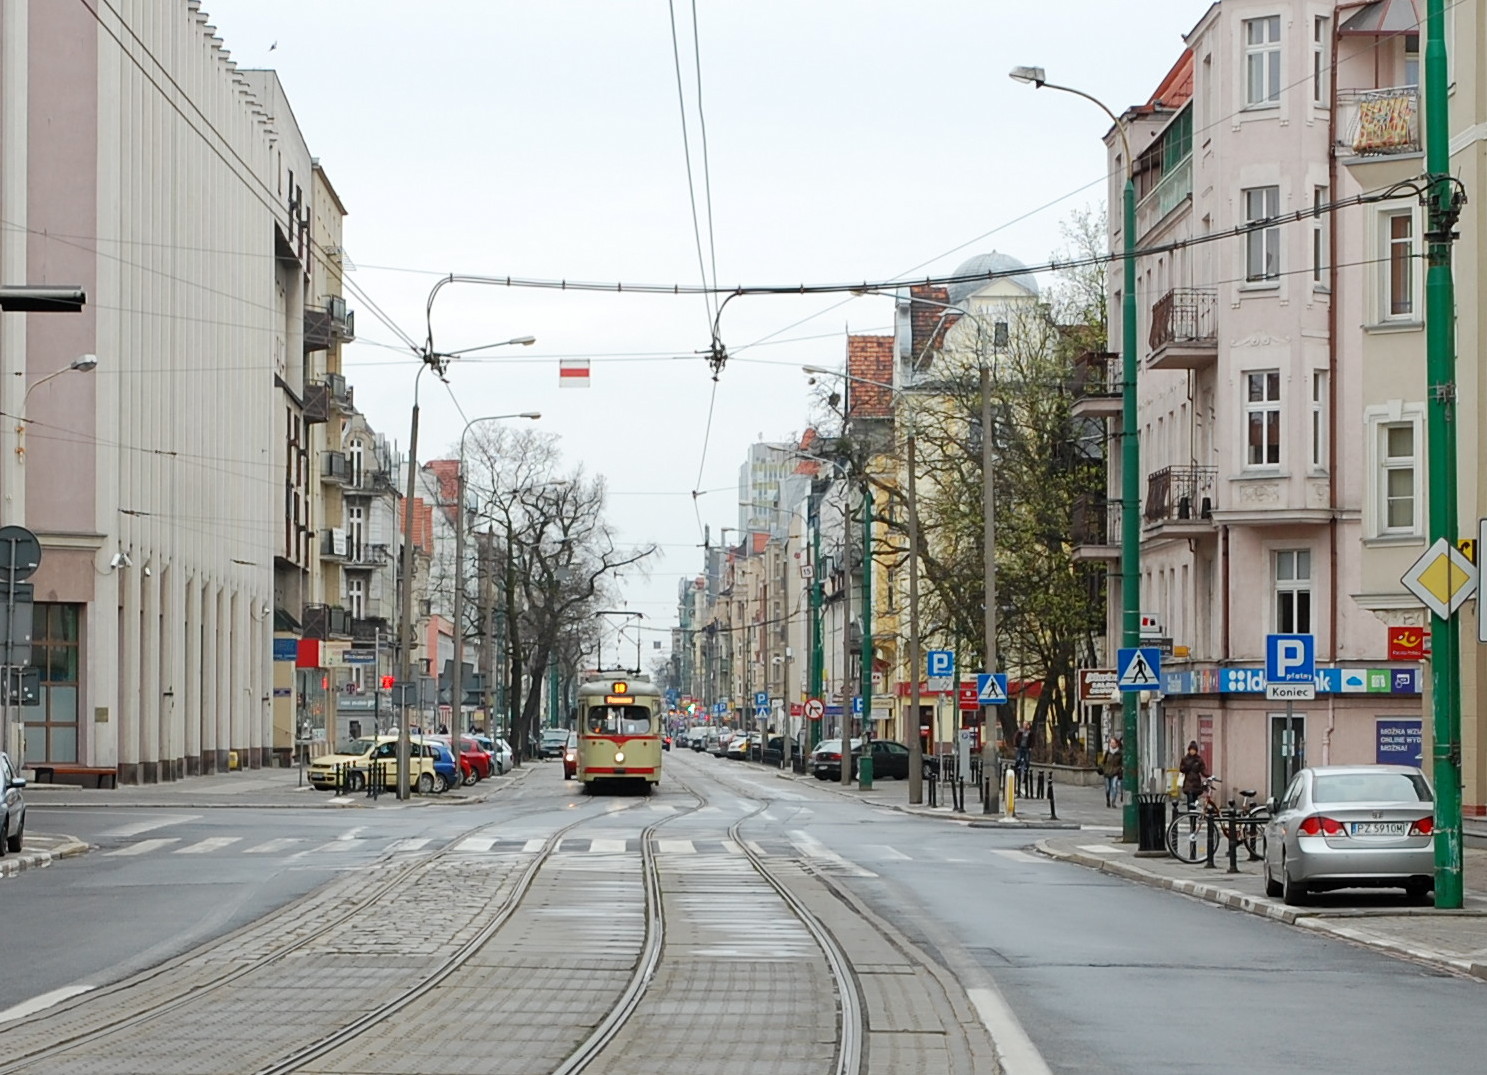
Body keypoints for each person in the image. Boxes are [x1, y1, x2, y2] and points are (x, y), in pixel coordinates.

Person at [1179, 740, 1209, 810]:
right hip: (1188, 782)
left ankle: (1194, 815)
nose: (1192, 751)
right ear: (1189, 750)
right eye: (1191, 750)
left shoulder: (1199, 759)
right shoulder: (1185, 759)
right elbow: (1181, 769)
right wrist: (1187, 767)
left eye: (1194, 750)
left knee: (1195, 800)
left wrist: (1208, 776)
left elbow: (1203, 770)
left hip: (1196, 783)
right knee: (1190, 799)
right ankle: (1190, 814)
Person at [1101, 737, 1123, 808]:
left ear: (1117, 744)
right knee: (1108, 788)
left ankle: (1113, 802)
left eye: (1113, 743)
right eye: (1111, 743)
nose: (1112, 744)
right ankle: (1108, 800)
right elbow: (1103, 762)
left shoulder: (1120, 753)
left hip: (1115, 772)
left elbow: (1122, 763)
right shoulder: (1108, 752)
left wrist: (1120, 769)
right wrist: (1103, 769)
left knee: (1114, 786)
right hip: (1107, 772)